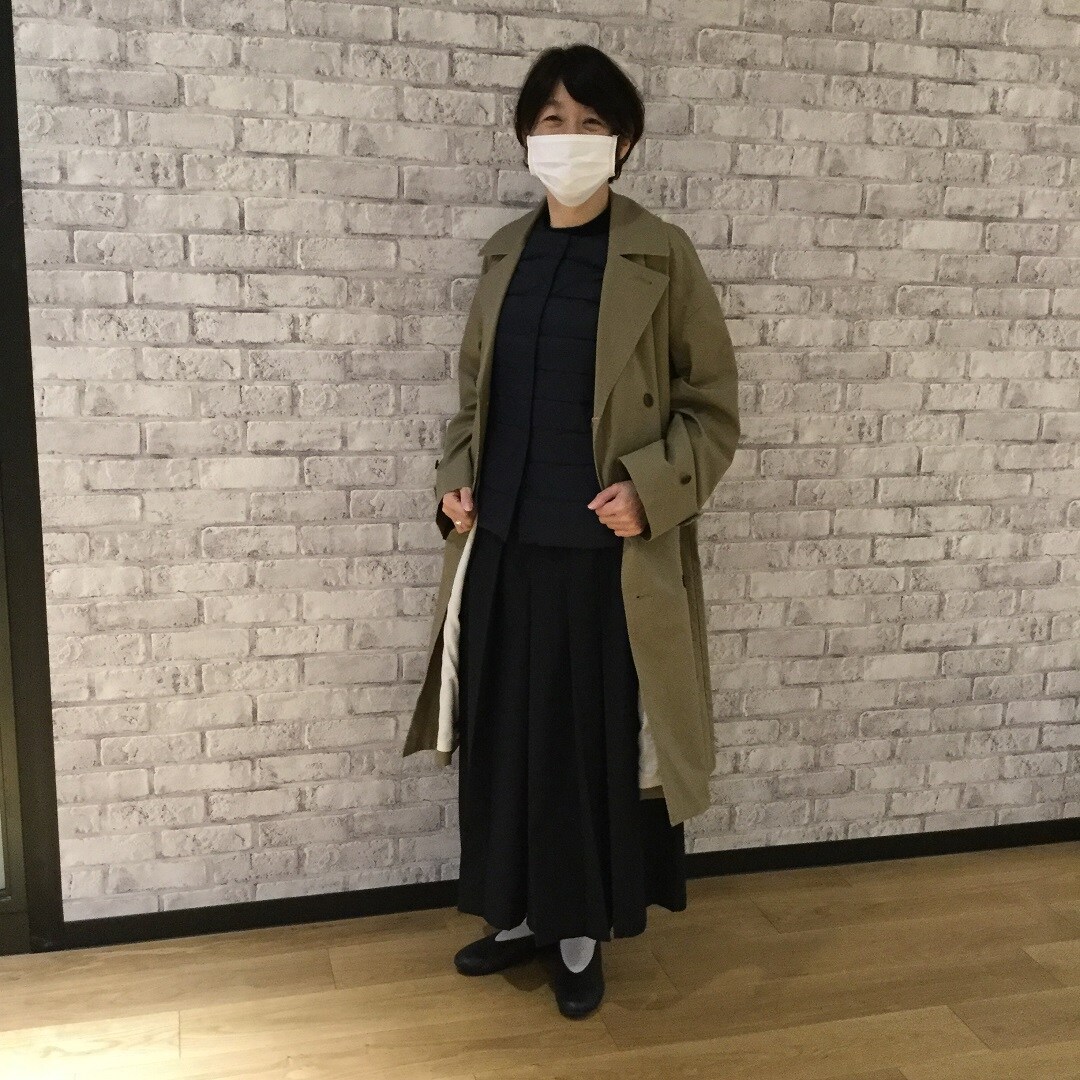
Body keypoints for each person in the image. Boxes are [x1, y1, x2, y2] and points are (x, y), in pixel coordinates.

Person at [430, 45, 739, 1019]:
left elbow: (713, 410)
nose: (570, 138)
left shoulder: (661, 255)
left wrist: (650, 491)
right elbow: (470, 403)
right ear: (527, 137)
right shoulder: (504, 255)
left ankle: (575, 931)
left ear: (625, 141)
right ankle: (516, 912)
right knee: (504, 743)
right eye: (552, 120)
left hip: (605, 560)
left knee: (579, 748)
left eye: (591, 123)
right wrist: (455, 480)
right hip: (501, 549)